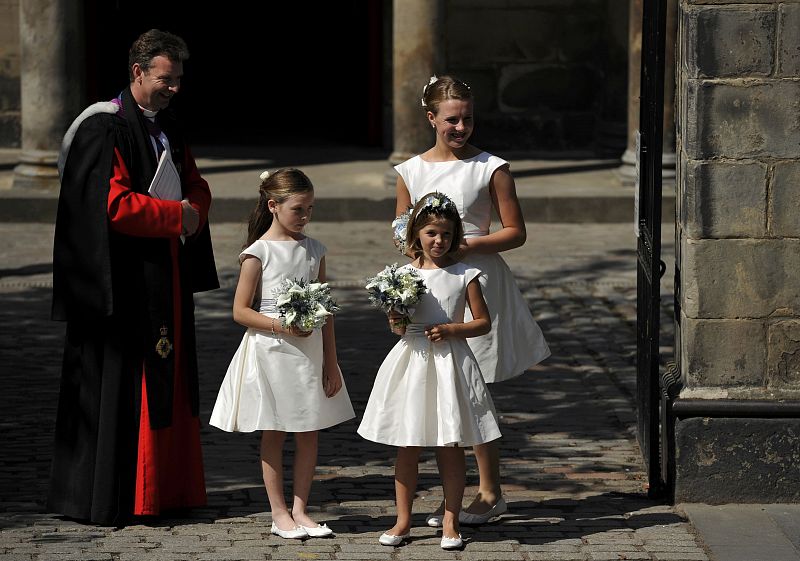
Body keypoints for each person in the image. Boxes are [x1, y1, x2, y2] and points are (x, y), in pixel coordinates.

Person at [48, 29, 218, 526]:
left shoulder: (168, 126)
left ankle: (165, 490)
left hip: (163, 275)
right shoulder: (102, 129)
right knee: (121, 387)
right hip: (119, 285)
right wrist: (177, 216)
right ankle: (118, 493)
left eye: (179, 80)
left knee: (169, 381)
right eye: (166, 79)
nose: (174, 89)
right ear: (138, 72)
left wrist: (193, 211)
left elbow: (195, 184)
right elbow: (113, 205)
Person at [394, 75, 551, 526]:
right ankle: (451, 498)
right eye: (451, 119)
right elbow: (402, 226)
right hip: (431, 288)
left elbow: (515, 232)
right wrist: (413, 259)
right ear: (431, 119)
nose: (460, 127)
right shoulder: (410, 170)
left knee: (473, 386)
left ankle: (489, 491)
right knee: (438, 385)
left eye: (467, 119)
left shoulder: (491, 167)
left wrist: (469, 247)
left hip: (478, 282)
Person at [209, 168, 355, 540]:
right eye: (298, 209)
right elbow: (240, 311)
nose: (305, 217)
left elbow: (326, 312)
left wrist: (331, 361)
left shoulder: (315, 249)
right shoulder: (257, 253)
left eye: (310, 209)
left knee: (309, 430)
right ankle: (278, 513)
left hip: (309, 352)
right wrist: (281, 326)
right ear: (273, 206)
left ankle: (302, 509)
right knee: (274, 430)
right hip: (272, 351)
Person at [358, 192, 501, 550]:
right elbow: (401, 326)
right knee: (408, 444)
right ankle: (403, 519)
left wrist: (454, 329)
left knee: (449, 443)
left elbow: (482, 323)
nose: (439, 241)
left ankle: (451, 520)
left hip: (450, 363)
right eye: (432, 234)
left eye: (447, 235)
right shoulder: (401, 276)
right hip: (413, 362)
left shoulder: (465, 273)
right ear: (416, 234)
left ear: (455, 237)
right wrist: (396, 322)